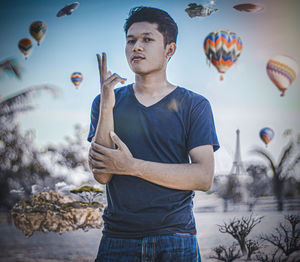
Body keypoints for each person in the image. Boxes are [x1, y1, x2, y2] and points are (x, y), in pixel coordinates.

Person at [88, 6, 219, 262]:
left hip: (176, 237)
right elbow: (102, 174)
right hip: (117, 237)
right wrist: (106, 107)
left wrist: (132, 166)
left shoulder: (194, 105)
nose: (137, 46)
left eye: (147, 39)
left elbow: (203, 177)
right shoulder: (105, 101)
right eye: (131, 40)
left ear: (169, 50)